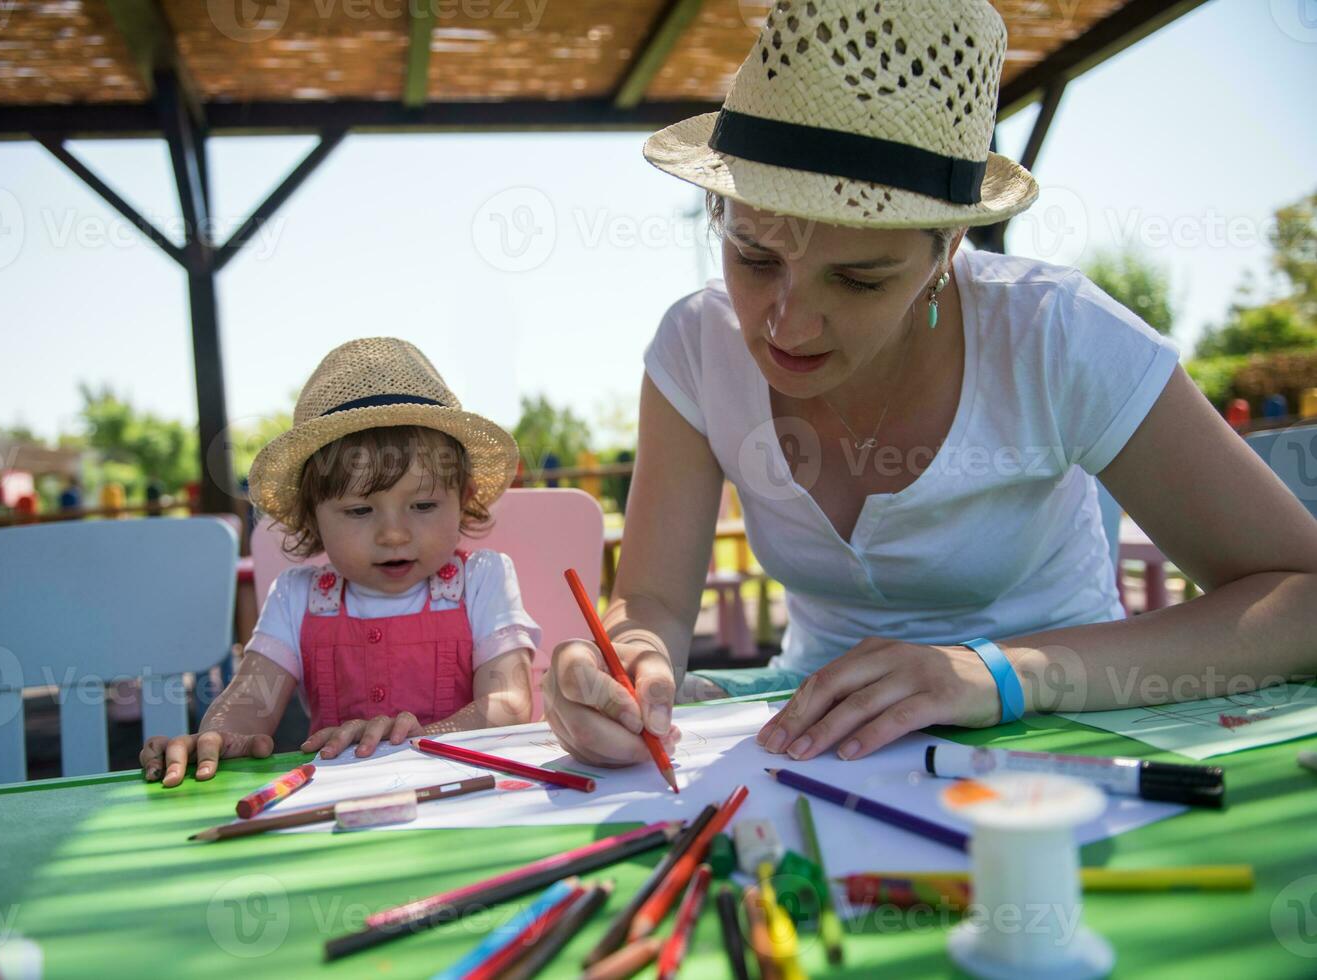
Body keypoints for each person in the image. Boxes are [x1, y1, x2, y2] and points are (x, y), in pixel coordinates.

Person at [543, 0, 1317, 768]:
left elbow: (1302, 602)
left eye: (857, 279)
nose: (787, 325)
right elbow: (653, 605)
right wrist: (623, 658)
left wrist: (1003, 672)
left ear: (947, 250)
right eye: (754, 258)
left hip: (1069, 727)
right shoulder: (693, 346)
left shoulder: (1058, 334)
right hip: (814, 734)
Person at [142, 337, 541, 786]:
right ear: (312, 516)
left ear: (462, 499)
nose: (394, 534)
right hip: (334, 811)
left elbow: (508, 703)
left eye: (424, 505)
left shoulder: (482, 580)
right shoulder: (299, 598)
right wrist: (218, 735)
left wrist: (419, 741)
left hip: (467, 797)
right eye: (359, 511)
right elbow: (252, 700)